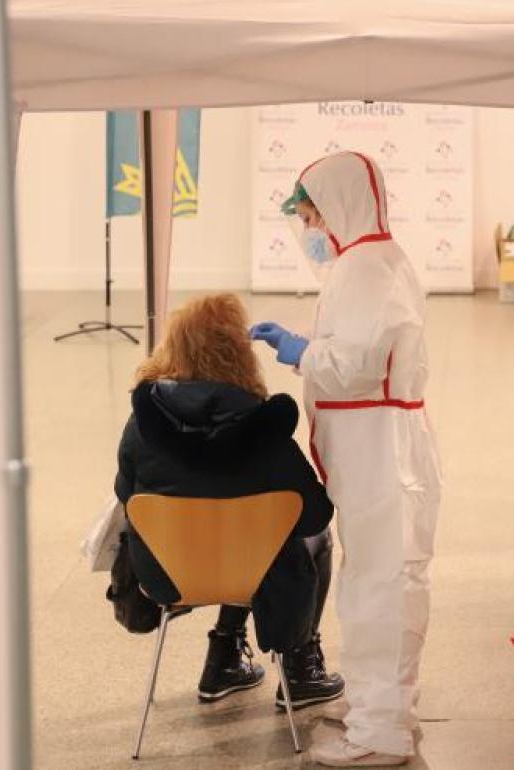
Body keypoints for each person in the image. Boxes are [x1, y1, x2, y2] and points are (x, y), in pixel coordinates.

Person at [251, 152, 442, 767]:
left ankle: (382, 730)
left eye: (311, 212)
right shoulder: (366, 262)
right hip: (374, 448)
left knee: (383, 584)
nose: (308, 226)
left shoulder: (366, 268)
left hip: (381, 450)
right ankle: (373, 699)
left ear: (340, 206)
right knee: (373, 580)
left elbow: (351, 366)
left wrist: (298, 351)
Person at [113, 293, 345, 710]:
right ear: (239, 352)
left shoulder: (142, 422)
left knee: (217, 524)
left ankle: (223, 660)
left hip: (167, 573)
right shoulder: (266, 429)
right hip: (251, 571)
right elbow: (314, 516)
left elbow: (125, 495)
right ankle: (300, 669)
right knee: (309, 539)